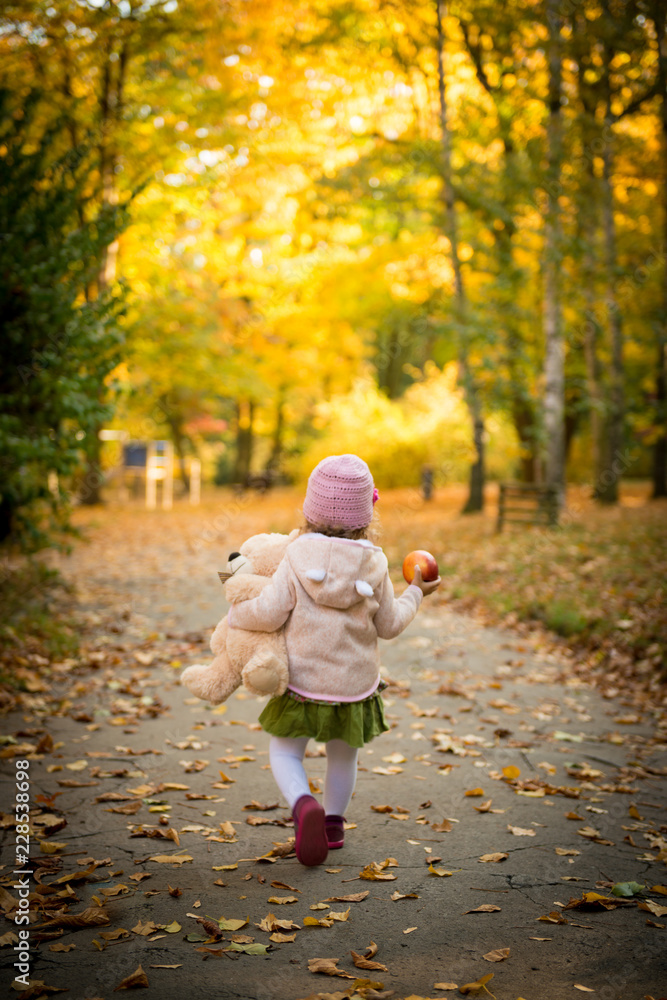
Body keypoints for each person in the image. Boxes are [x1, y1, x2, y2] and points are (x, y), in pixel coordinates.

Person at [227, 454, 441, 866]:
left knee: (286, 751)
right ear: (366, 514)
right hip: (353, 686)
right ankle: (332, 825)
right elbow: (390, 624)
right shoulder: (375, 562)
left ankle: (302, 802)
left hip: (303, 681)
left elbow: (270, 611)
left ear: (309, 509)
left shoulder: (295, 556)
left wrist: (238, 613)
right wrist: (416, 591)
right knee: (344, 755)